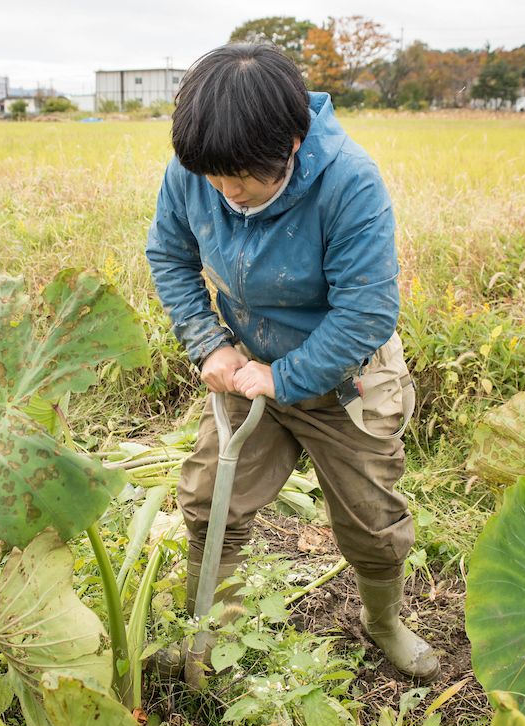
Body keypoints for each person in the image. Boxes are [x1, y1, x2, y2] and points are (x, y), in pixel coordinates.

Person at [145, 42, 439, 681]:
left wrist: (286, 377)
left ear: (293, 144)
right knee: (208, 498)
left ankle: (382, 620)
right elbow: (168, 255)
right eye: (215, 179)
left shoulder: (350, 182)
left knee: (371, 519)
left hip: (345, 373)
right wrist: (210, 344)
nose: (229, 194)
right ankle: (208, 628)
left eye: (244, 179)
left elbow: (366, 313)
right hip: (248, 361)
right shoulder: (196, 172)